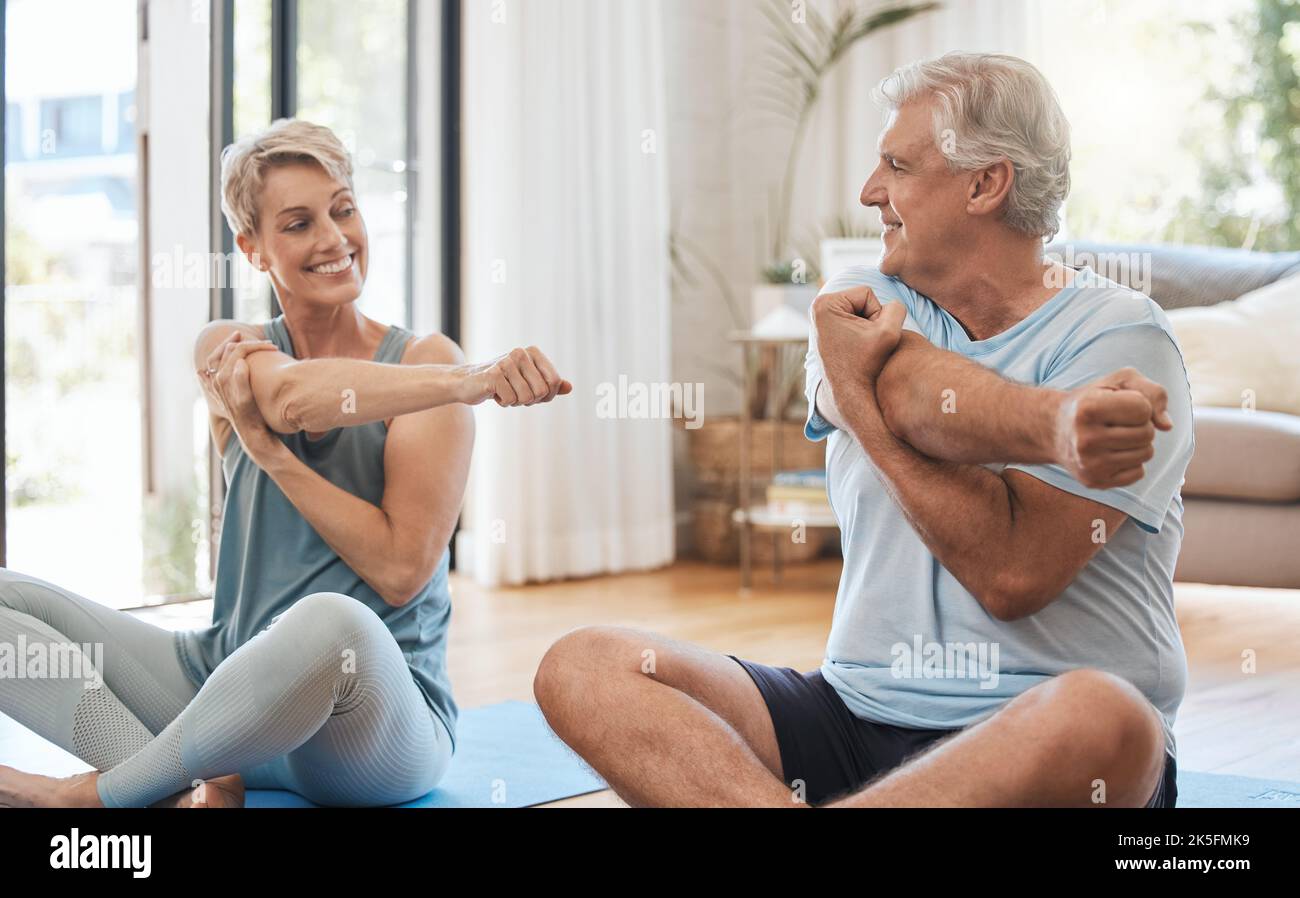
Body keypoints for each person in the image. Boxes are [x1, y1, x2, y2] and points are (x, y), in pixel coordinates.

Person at [533, 53, 1192, 808]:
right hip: (853, 713)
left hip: (1036, 738)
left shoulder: (1125, 337)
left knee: (1108, 720)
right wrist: (1055, 419)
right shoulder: (864, 293)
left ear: (985, 184)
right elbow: (912, 395)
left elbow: (1012, 575)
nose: (869, 192)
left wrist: (861, 409)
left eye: (896, 165)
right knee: (584, 666)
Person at [0, 118, 571, 808]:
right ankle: (186, 790)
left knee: (330, 622)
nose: (334, 239)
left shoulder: (426, 364)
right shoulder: (230, 345)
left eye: (344, 209)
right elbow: (296, 399)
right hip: (224, 692)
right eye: (298, 223)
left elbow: (398, 572)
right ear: (253, 249)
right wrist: (472, 383)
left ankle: (98, 797)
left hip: (367, 725)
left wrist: (273, 458)